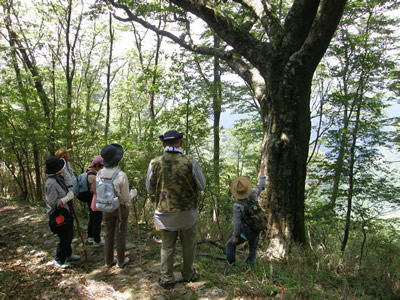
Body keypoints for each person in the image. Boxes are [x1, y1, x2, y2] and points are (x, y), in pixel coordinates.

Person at [146, 130, 206, 290]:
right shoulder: (190, 161)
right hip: (187, 213)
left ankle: (166, 279)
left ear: (164, 144)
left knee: (167, 246)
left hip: (164, 214)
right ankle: (188, 274)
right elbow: (201, 185)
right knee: (188, 245)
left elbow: (149, 189)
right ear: (180, 143)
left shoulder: (154, 163)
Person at [98, 144, 137, 268]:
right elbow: (125, 198)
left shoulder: (99, 173)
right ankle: (120, 261)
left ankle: (108, 261)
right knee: (121, 234)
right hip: (120, 208)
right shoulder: (121, 175)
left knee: (108, 234)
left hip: (106, 207)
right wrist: (133, 193)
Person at [226, 162, 266, 269]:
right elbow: (262, 185)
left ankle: (231, 265)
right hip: (257, 228)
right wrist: (262, 169)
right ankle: (249, 267)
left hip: (245, 232)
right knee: (252, 248)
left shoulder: (237, 205)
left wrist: (235, 236)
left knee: (230, 245)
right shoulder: (253, 193)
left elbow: (237, 224)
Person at [45, 156, 80, 268]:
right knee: (65, 237)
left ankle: (68, 254)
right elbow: (52, 203)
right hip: (58, 215)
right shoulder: (51, 183)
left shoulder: (58, 178)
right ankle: (59, 260)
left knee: (69, 234)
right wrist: (67, 198)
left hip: (65, 211)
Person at [86, 155, 104, 247]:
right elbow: (96, 191)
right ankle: (97, 240)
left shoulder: (88, 172)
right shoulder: (93, 176)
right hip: (95, 201)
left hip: (90, 200)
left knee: (92, 218)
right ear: (97, 165)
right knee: (97, 219)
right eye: (101, 166)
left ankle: (90, 236)